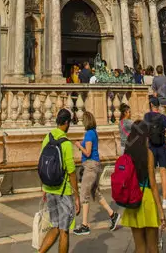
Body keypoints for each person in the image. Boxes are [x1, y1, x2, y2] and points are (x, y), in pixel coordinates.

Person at [38, 108, 80, 253]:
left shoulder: (47, 137)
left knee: (55, 227)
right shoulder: (66, 143)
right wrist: (77, 197)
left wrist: (43, 187)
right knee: (64, 230)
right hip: (63, 191)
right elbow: (72, 172)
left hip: (49, 189)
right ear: (67, 123)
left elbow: (42, 164)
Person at [121, 120, 166, 252]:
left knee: (139, 246)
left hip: (132, 198)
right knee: (153, 246)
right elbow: (152, 184)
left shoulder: (127, 153)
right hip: (146, 198)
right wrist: (161, 211)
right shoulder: (148, 153)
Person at [73, 111, 119, 235]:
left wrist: (78, 145)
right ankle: (113, 214)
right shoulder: (94, 133)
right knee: (94, 192)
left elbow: (87, 153)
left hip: (90, 166)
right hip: (95, 164)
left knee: (84, 194)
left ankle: (84, 225)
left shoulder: (88, 134)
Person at [143, 96, 166, 209]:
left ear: (150, 105)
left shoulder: (147, 116)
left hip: (151, 147)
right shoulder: (163, 117)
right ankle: (164, 201)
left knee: (151, 173)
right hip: (162, 146)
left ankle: (153, 198)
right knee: (163, 172)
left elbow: (144, 131)